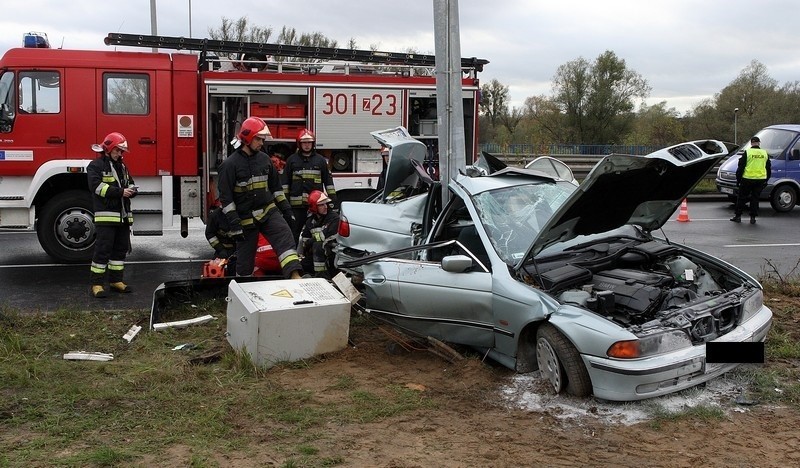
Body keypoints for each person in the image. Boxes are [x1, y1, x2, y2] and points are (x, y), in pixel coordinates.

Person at [217, 117, 303, 279]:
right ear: (247, 137)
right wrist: (235, 224)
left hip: (268, 212)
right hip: (246, 220)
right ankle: (243, 290)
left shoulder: (265, 160)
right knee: (245, 262)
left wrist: (286, 209)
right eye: (258, 139)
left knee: (285, 237)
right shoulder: (229, 165)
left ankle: (295, 276)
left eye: (262, 139)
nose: (261, 143)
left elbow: (276, 189)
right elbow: (226, 200)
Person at [87, 132, 137, 298]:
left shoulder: (122, 167)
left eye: (121, 151)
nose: (120, 154)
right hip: (106, 217)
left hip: (122, 218)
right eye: (117, 150)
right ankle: (97, 284)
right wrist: (121, 192)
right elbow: (97, 187)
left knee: (120, 251)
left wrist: (132, 190)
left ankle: (116, 281)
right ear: (108, 149)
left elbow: (130, 183)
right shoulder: (95, 166)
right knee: (102, 250)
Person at [282, 128, 337, 243]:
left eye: (309, 143)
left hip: (315, 207)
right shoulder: (292, 160)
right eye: (304, 143)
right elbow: (285, 184)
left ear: (313, 144)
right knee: (293, 233)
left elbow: (328, 182)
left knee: (315, 233)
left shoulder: (321, 161)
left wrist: (332, 202)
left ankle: (311, 256)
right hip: (296, 207)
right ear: (299, 144)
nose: (307, 145)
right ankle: (294, 258)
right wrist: (285, 205)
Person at [299, 190, 340, 279]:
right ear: (314, 207)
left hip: (333, 252)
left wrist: (311, 241)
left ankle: (322, 277)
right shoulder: (310, 221)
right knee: (302, 265)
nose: (325, 207)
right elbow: (305, 241)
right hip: (316, 253)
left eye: (326, 204)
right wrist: (308, 246)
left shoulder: (334, 217)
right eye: (321, 205)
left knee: (317, 246)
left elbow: (324, 236)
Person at [731, 136, 771, 224]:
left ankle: (738, 216)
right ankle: (753, 218)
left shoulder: (747, 152)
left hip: (747, 179)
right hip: (760, 179)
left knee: (742, 198)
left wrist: (738, 180)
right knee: (755, 198)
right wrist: (766, 180)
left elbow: (741, 167)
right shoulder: (764, 153)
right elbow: (768, 168)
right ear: (759, 143)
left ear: (751, 143)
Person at [204, 205, 237, 276]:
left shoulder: (241, 213)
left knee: (242, 269)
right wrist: (220, 249)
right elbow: (210, 234)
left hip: (239, 249)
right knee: (214, 270)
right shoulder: (215, 216)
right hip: (223, 249)